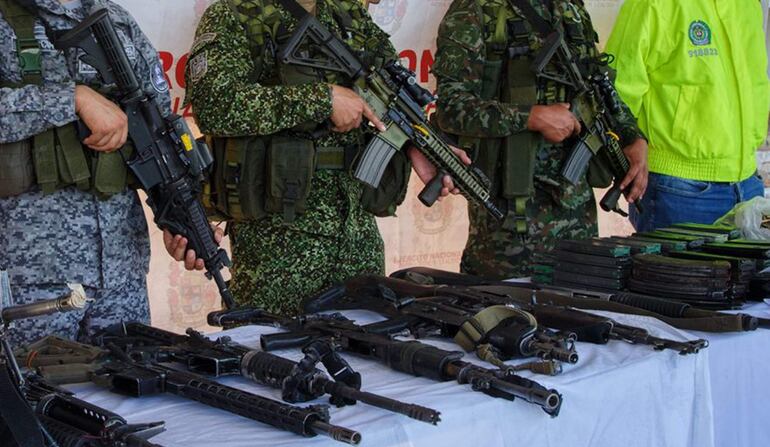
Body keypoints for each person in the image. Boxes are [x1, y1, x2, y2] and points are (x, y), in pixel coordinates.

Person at [179, 0, 463, 315]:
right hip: (278, 247)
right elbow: (214, 105)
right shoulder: (235, 13)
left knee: (367, 348)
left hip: (357, 235)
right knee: (276, 354)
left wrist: (419, 144)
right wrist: (321, 100)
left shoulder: (348, 15)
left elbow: (389, 94)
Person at [432, 0, 648, 280]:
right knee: (504, 316)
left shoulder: (570, 8)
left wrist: (633, 137)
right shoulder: (477, 9)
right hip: (511, 224)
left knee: (576, 314)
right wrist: (531, 117)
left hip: (577, 218)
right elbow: (451, 108)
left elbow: (599, 89)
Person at [0, 0, 171, 345]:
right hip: (30, 278)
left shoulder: (116, 18)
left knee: (132, 391)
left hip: (122, 275)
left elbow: (159, 126)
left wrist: (176, 218)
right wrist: (71, 99)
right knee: (30, 395)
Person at [605, 0, 770, 231]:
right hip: (678, 189)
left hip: (748, 183)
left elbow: (756, 82)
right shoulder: (652, 4)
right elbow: (613, 91)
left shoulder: (747, 4)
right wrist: (628, 144)